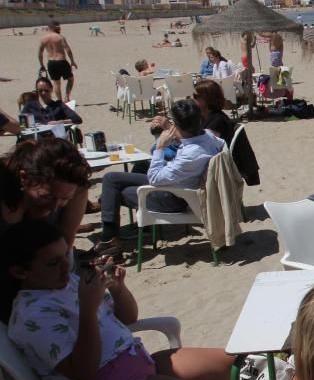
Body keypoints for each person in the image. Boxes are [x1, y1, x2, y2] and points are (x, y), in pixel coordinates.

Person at [4, 220, 234, 380]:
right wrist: (88, 311)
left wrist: (119, 289)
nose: (65, 268)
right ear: (19, 272)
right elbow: (84, 372)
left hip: (135, 368)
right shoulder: (33, 315)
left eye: (65, 257)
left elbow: (128, 318)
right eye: (52, 263)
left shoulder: (64, 283)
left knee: (228, 365)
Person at [94, 100, 225, 254]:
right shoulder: (209, 137)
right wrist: (170, 129)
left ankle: (109, 241)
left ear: (178, 125)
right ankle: (111, 236)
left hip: (175, 198)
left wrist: (160, 147)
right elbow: (191, 140)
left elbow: (155, 178)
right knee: (112, 178)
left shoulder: (191, 155)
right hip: (181, 184)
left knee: (116, 192)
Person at [1, 138, 91, 319]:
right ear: (24, 178)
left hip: (42, 283)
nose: (54, 207)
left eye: (64, 200)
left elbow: (62, 251)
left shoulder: (76, 190)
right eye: (46, 196)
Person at [37, 20, 78, 102]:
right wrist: (72, 61)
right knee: (70, 79)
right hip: (61, 61)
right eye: (58, 26)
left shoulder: (44, 38)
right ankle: (66, 97)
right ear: (54, 27)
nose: (60, 28)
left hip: (51, 63)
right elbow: (68, 49)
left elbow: (40, 52)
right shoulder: (60, 37)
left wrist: (42, 64)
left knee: (56, 83)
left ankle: (59, 101)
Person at [193, 79, 236, 145]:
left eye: (195, 96)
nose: (192, 99)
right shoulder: (203, 117)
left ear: (208, 99)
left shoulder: (217, 120)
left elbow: (204, 145)